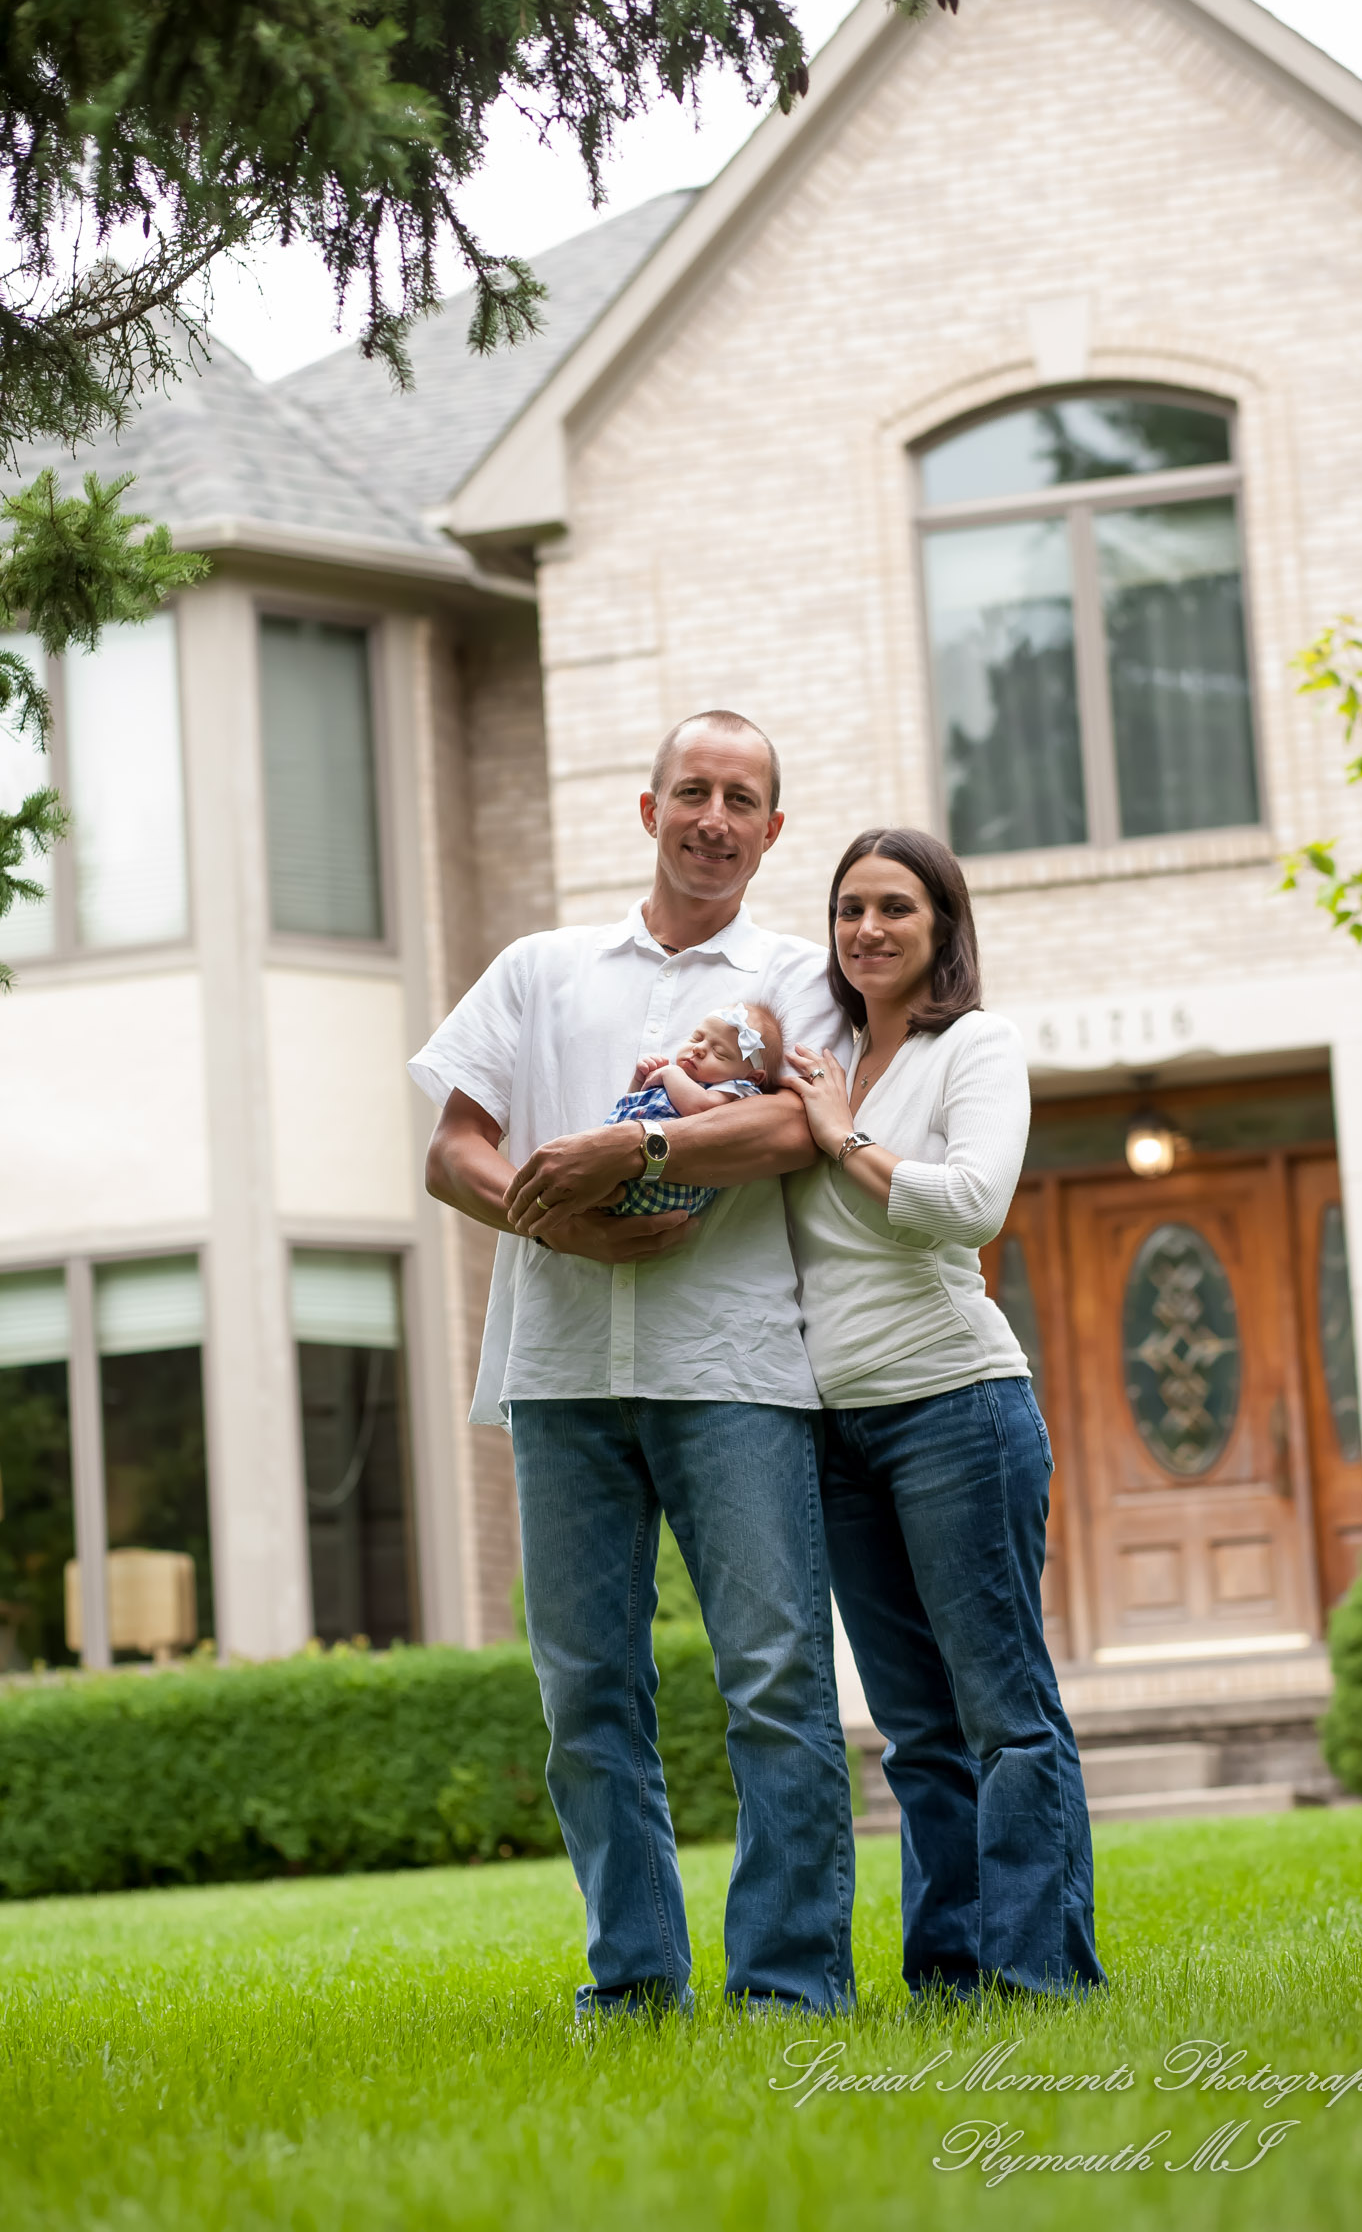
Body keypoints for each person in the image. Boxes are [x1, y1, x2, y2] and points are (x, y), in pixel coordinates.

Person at [408, 712, 855, 2018]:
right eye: (693, 791)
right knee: (588, 1696)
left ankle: (788, 1987)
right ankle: (638, 1980)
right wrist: (557, 1212)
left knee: (774, 1678)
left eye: (743, 798)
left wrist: (633, 1152)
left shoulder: (800, 979)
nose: (715, 816)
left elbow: (795, 1126)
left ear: (774, 831)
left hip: (736, 1373)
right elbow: (456, 1146)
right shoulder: (541, 968)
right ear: (647, 809)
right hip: (561, 1375)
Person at [783, 825, 1105, 2002]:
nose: (867, 929)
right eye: (849, 909)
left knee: (1005, 1713)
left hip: (957, 1410)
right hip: (840, 1429)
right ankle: (952, 1977)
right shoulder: (817, 1062)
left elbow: (968, 1207)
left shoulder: (974, 1044)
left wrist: (845, 1142)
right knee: (916, 1730)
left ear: (943, 930)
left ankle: (1040, 1974)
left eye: (896, 910)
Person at [604, 1001, 782, 1218]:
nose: (698, 1049)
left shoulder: (735, 1089)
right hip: (621, 1155)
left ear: (751, 1076)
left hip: (664, 1182)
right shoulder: (681, 1077)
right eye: (697, 1038)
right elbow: (635, 1105)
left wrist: (670, 1074)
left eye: (719, 1053)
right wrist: (641, 1081)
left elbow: (700, 1108)